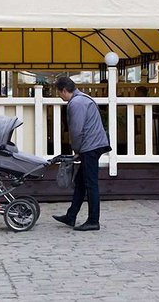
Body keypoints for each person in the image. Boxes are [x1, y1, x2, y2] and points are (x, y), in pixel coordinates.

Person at [52, 77, 111, 231]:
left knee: (91, 184)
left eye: (58, 92)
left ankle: (93, 220)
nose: (59, 96)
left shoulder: (76, 103)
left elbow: (76, 130)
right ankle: (71, 216)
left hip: (90, 146)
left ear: (64, 90)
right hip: (94, 144)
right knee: (81, 182)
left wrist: (76, 149)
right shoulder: (84, 98)